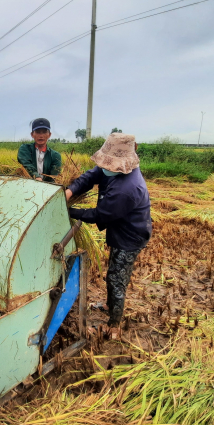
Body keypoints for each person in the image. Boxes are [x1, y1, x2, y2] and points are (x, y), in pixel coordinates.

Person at [64, 133, 151, 336]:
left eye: (108, 163)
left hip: (130, 235)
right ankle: (110, 304)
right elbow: (91, 176)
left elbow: (99, 214)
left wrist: (67, 210)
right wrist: (70, 191)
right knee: (114, 271)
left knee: (116, 279)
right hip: (120, 227)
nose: (104, 166)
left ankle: (114, 324)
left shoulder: (128, 188)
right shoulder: (112, 168)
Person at [17, 118, 62, 182]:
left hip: (47, 187)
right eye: (38, 132)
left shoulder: (55, 156)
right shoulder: (25, 149)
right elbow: (26, 164)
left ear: (49, 135)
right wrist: (36, 176)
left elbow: (54, 176)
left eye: (44, 132)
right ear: (32, 134)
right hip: (27, 184)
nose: (41, 136)